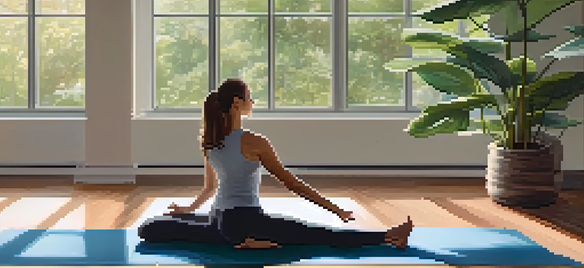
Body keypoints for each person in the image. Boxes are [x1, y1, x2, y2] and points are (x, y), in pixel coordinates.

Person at [138, 78, 414, 250]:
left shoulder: (210, 140)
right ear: (237, 103)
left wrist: (187, 210)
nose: (252, 101)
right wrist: (336, 209)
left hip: (218, 218)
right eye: (249, 97)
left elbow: (210, 189)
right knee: (316, 234)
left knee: (149, 227)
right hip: (245, 221)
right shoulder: (255, 141)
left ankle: (235, 239)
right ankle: (388, 237)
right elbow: (292, 183)